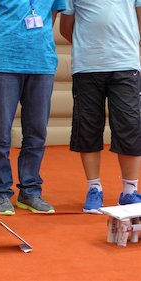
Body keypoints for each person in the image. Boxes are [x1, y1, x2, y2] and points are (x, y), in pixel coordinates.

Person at [0, 0, 67, 215]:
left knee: (37, 131)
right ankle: (0, 192)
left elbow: (52, 17)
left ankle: (30, 191)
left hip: (42, 63)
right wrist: (4, 44)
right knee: (0, 132)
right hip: (4, 63)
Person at [60, 1, 141, 213]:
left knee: (130, 126)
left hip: (125, 64)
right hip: (88, 66)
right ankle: (94, 188)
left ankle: (130, 190)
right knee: (88, 127)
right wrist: (87, 45)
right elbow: (65, 27)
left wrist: (126, 44)